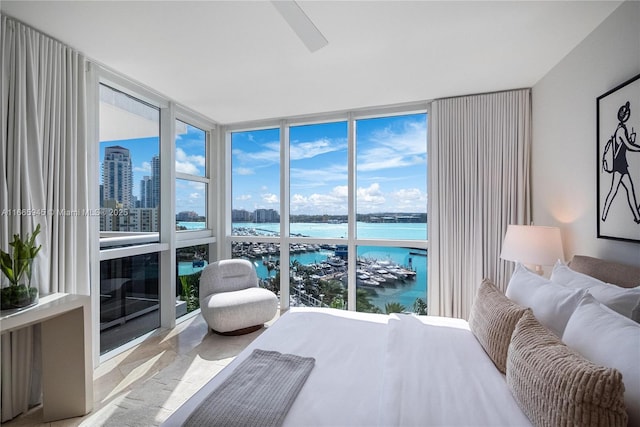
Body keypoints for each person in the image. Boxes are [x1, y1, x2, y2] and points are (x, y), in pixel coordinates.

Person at [601, 101, 640, 223]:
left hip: (622, 164)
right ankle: (604, 215)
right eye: (627, 112)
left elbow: (625, 144)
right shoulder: (621, 130)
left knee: (628, 189)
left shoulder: (621, 129)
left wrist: (631, 141)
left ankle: (637, 217)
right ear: (624, 115)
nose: (628, 113)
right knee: (614, 191)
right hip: (619, 165)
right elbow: (628, 145)